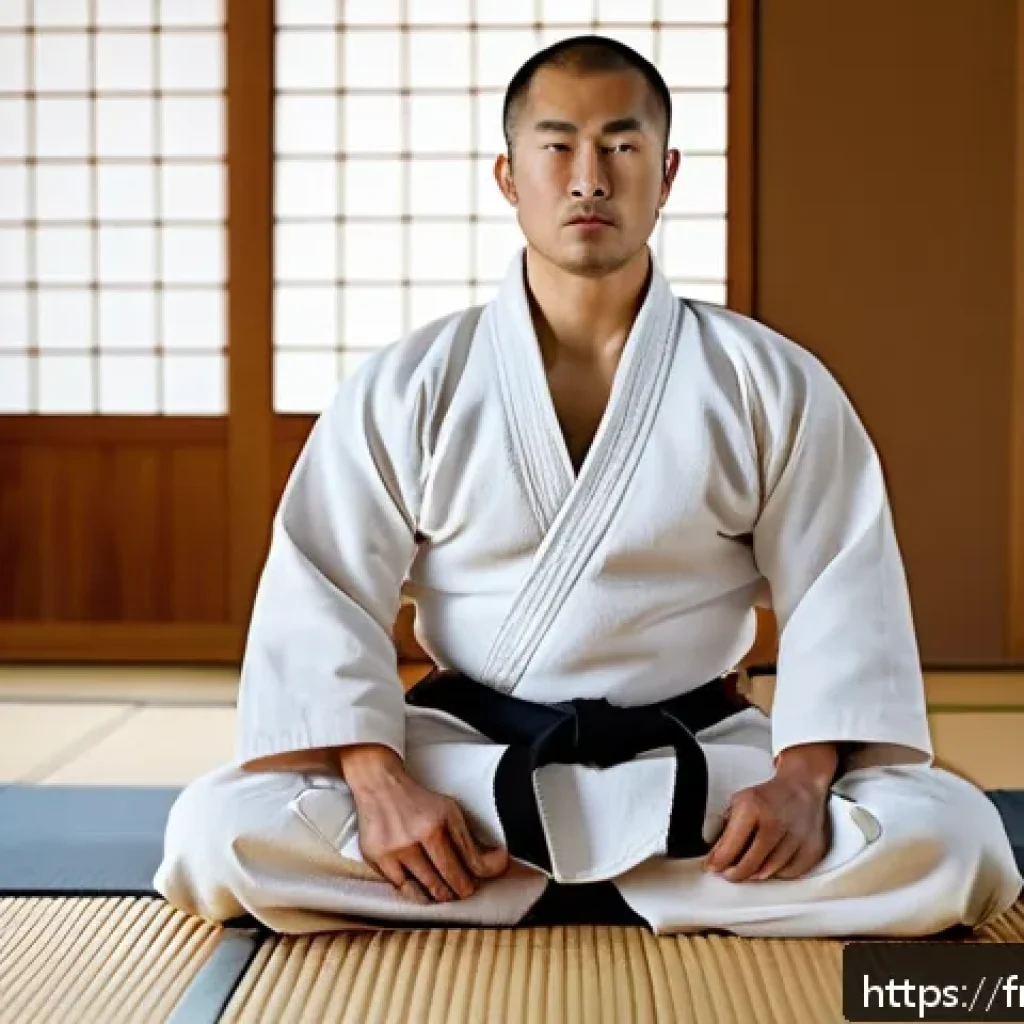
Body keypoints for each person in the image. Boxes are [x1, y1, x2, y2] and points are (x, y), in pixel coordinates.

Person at [155, 35, 1022, 937]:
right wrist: (380, 787)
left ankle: (497, 890)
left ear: (667, 170)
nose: (588, 178)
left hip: (703, 766)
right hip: (467, 764)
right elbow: (320, 586)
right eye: (557, 145)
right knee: (216, 833)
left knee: (956, 842)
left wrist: (802, 783)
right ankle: (654, 890)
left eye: (621, 145)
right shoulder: (412, 381)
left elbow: (846, 589)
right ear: (507, 173)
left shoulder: (767, 380)